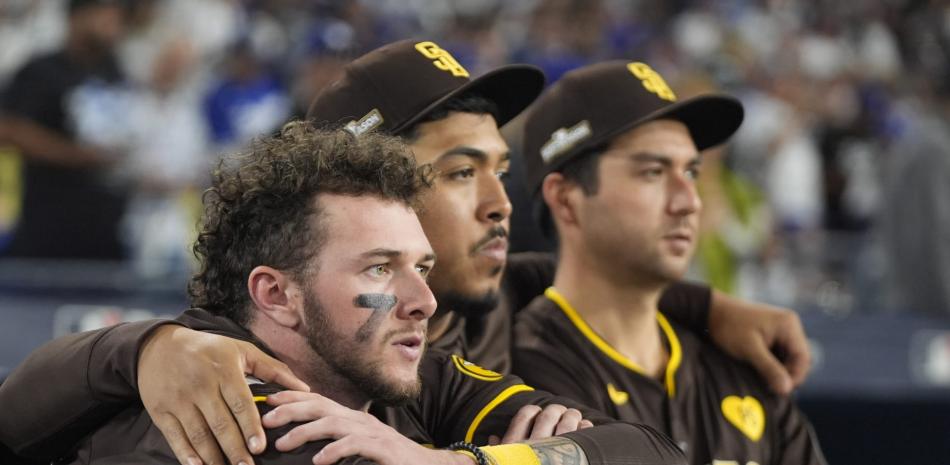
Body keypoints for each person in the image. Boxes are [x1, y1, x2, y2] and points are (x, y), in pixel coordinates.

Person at [0, 40, 810, 465]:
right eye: (457, 172)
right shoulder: (230, 398)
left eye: (501, 169)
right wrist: (141, 347)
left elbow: (646, 450)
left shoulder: (430, 358)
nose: (500, 203)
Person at [25, 123, 687, 465]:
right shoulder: (228, 415)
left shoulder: (403, 373)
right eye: (378, 269)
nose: (423, 300)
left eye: (421, 266)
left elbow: (649, 451)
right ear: (277, 294)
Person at [512, 61, 826, 464]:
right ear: (566, 199)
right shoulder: (520, 376)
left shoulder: (743, 364)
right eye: (653, 172)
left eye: (691, 171)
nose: (689, 201)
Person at [0, 0, 130, 260]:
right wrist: (78, 155)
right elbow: (9, 129)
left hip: (105, 230)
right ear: (77, 18)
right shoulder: (42, 70)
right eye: (104, 14)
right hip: (50, 226)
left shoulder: (113, 70)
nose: (113, 25)